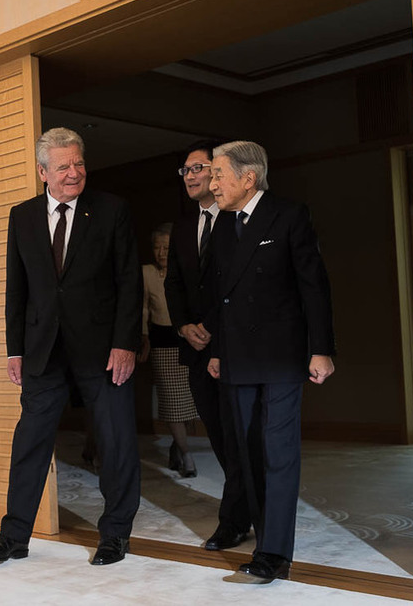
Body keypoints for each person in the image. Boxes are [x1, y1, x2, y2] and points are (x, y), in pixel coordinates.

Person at [0, 127, 142, 566]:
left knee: (115, 440)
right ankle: (14, 536)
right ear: (42, 171)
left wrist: (125, 343)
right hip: (42, 347)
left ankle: (115, 535)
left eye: (79, 163)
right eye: (63, 166)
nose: (73, 173)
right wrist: (15, 348)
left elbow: (130, 282)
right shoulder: (22, 215)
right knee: (29, 441)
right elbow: (18, 287)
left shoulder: (112, 211)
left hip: (102, 348)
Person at [207, 140, 335, 584]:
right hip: (239, 355)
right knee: (248, 453)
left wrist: (321, 349)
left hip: (282, 355)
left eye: (219, 173)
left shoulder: (289, 214)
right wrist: (220, 350)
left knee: (278, 453)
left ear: (248, 177)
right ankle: (265, 540)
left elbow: (313, 287)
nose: (212, 182)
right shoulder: (223, 225)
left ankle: (273, 552)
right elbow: (221, 297)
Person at [163, 140, 252, 551]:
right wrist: (183, 325)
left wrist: (212, 328)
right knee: (218, 434)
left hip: (232, 345)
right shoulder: (181, 227)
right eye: (186, 170)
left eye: (199, 168)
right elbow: (175, 284)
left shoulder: (238, 219)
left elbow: (238, 287)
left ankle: (235, 519)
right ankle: (243, 510)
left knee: (240, 436)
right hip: (195, 348)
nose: (192, 176)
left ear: (217, 173)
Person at [138, 222, 199, 478]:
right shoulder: (145, 273)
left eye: (166, 247)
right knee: (173, 403)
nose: (161, 252)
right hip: (161, 342)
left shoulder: (184, 270)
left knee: (189, 403)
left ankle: (177, 445)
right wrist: (143, 336)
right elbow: (142, 308)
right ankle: (186, 453)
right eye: (157, 247)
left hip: (188, 341)